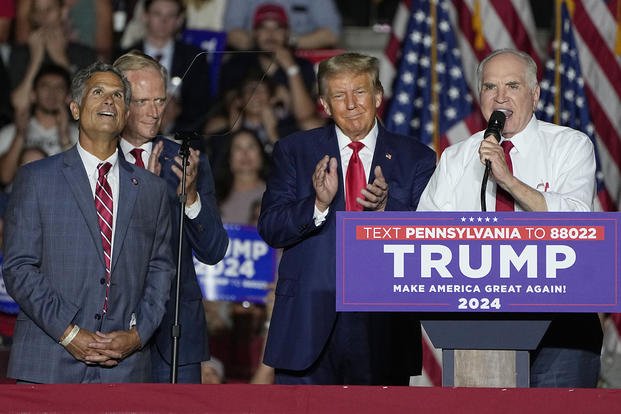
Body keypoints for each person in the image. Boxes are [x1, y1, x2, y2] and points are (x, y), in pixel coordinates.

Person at [417, 48, 603, 388]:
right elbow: (424, 235)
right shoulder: (458, 157)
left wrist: (509, 181)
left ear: (535, 94)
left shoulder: (570, 146)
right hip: (478, 328)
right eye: (490, 87)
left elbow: (579, 221)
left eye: (512, 86)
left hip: (560, 327)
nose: (500, 96)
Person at [258, 52, 436, 385]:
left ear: (378, 96)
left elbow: (429, 238)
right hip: (307, 323)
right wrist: (317, 205)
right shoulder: (294, 151)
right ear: (324, 104)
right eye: (339, 95)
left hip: (382, 326)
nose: (351, 103)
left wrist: (386, 211)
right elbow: (271, 227)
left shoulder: (416, 158)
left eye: (360, 91)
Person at [2, 61, 175, 383]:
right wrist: (69, 333)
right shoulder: (36, 179)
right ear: (76, 108)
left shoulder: (151, 189)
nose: (109, 101)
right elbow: (19, 267)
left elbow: (160, 268)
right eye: (98, 92)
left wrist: (137, 337)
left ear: (125, 115)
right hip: (49, 360)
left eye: (118, 95)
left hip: (124, 367)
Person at [113, 50, 229, 383]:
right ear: (119, 102)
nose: (154, 113)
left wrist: (189, 197)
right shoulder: (97, 163)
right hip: (111, 328)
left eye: (160, 100)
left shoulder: (186, 162)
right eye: (142, 101)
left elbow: (214, 250)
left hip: (175, 332)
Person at [122, 0, 212, 132]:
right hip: (132, 131)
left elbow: (201, 105)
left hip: (181, 133)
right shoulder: (125, 56)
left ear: (179, 20)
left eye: (170, 16)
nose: (163, 21)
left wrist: (176, 107)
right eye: (157, 14)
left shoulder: (195, 57)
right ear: (145, 16)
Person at [0, 64, 78, 187]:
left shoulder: (79, 135)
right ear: (33, 94)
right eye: (45, 86)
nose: (52, 93)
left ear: (68, 97)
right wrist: (20, 135)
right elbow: (4, 177)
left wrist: (64, 138)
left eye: (59, 88)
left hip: (59, 202)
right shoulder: (10, 132)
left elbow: (80, 181)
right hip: (18, 201)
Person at [223, 0, 342, 51]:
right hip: (253, 57)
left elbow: (331, 34)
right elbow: (231, 32)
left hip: (299, 56)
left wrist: (289, 41)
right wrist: (260, 44)